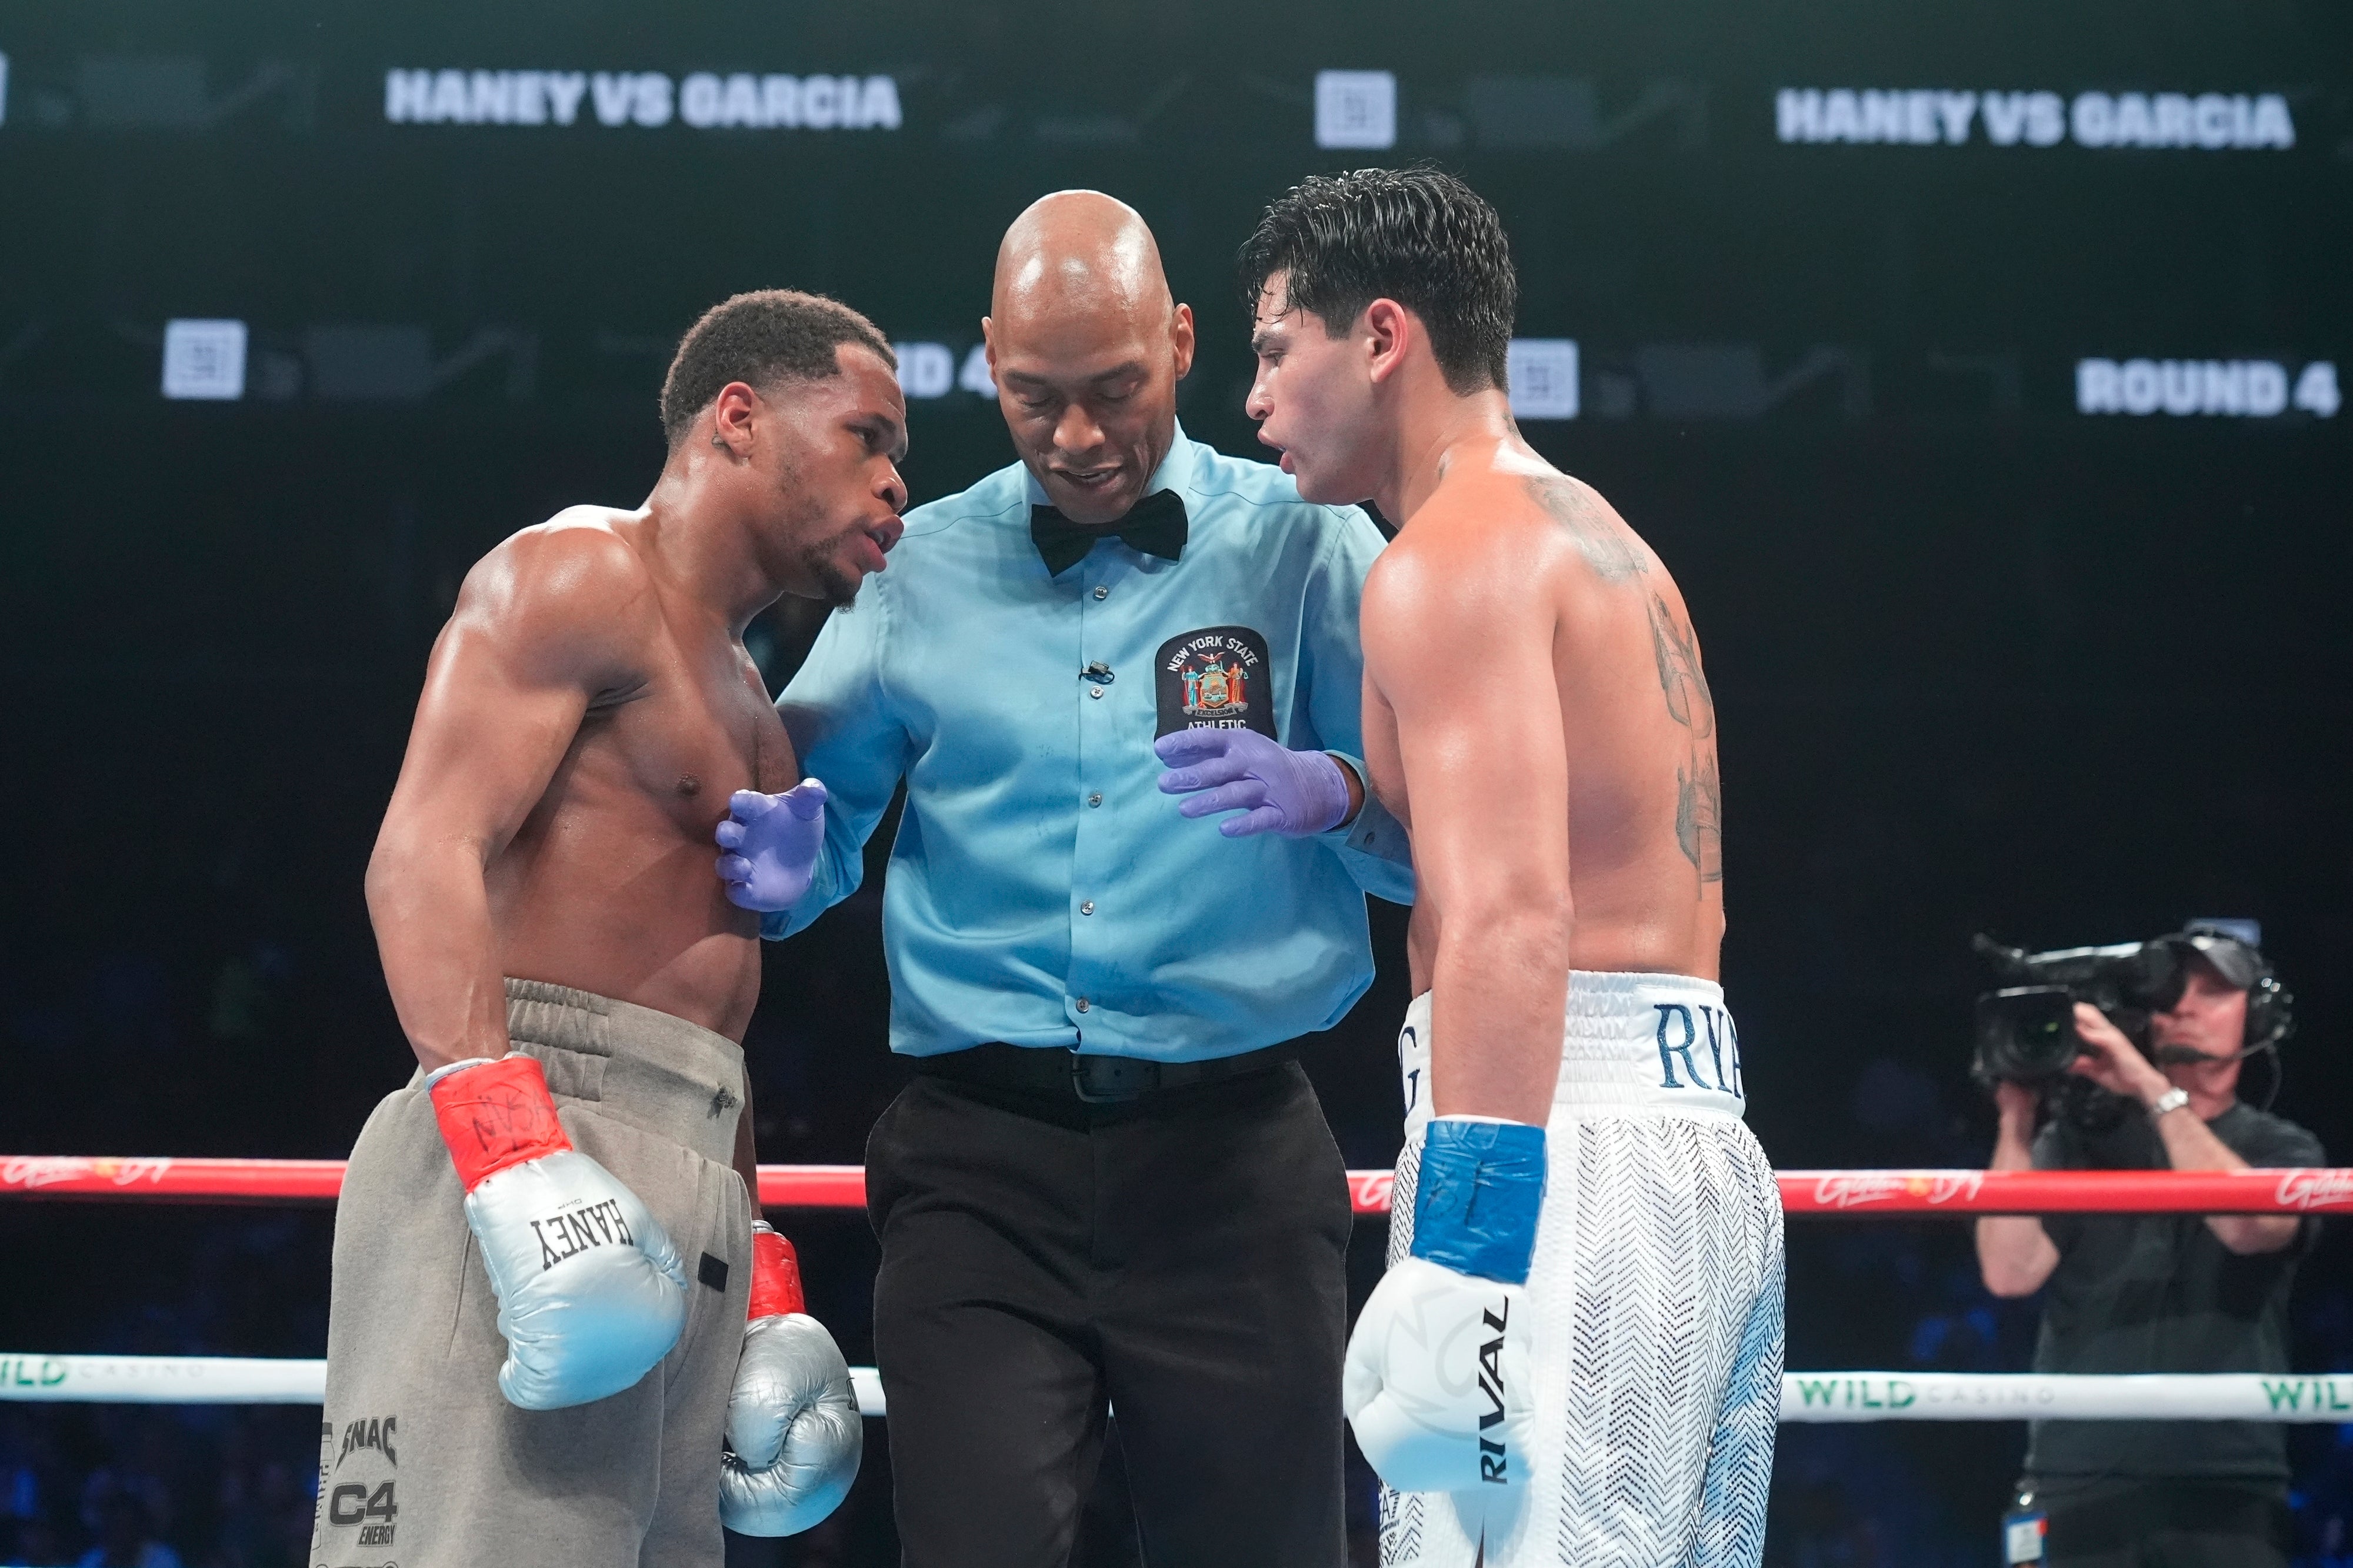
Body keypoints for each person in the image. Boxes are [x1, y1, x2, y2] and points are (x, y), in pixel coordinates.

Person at [725, 190, 1414, 1567]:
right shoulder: (914, 564)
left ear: (1180, 340)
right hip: (979, 1162)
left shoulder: (1305, 541)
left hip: (1234, 1152)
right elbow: (800, 842)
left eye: (1115, 388)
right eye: (1036, 396)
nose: (1080, 437)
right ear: (987, 359)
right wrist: (791, 866)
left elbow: (1433, 841)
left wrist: (1334, 791)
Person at [1234, 167, 1784, 1566]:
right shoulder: (1597, 537)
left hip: (1555, 1155)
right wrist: (1340, 792)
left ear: (1378, 334)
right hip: (1685, 1143)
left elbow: (1510, 911)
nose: (1252, 400)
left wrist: (1466, 1255)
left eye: (1270, 348)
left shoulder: (1447, 559)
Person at [326, 289, 897, 1568]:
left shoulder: (752, 697)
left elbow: (704, 1016)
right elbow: (421, 853)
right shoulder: (577, 573)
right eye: (865, 434)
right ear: (737, 419)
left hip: (683, 1158)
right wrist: (509, 1151)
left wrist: (754, 1262)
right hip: (527, 1119)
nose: (893, 482)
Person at [1976, 923, 2322, 1567]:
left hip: (2221, 1489)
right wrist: (2017, 1118)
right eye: (2171, 995)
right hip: (2073, 1479)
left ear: (2260, 1015)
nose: (2185, 1007)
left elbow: (2248, 1226)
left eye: (2213, 991)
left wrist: (2146, 1083)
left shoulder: (2281, 1150)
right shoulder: (2080, 1142)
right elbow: (2008, 1270)